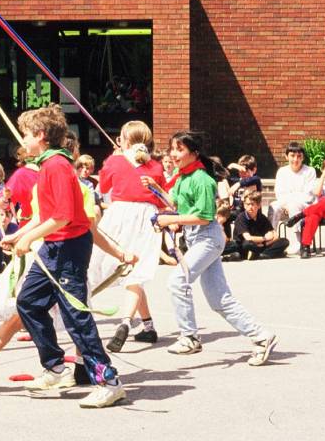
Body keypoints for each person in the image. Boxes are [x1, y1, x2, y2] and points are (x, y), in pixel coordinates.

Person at [4, 105, 126, 408]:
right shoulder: (48, 165)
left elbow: (62, 216)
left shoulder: (56, 165)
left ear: (41, 136)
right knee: (28, 301)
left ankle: (108, 380)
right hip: (55, 247)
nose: (23, 140)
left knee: (75, 315)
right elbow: (45, 214)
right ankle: (55, 367)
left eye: (26, 135)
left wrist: (30, 238)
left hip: (69, 247)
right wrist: (19, 235)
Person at [160, 131, 277, 366]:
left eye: (179, 149)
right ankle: (262, 337)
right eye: (172, 149)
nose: (174, 154)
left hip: (207, 238)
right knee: (219, 300)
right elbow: (175, 204)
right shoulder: (182, 177)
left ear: (194, 153)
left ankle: (189, 336)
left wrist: (172, 220)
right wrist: (156, 192)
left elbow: (203, 217)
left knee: (176, 281)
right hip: (198, 239)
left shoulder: (201, 179)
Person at [91, 120, 167, 352]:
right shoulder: (155, 165)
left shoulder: (114, 161)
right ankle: (148, 326)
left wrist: (112, 160)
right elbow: (161, 193)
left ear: (124, 140)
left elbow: (103, 188)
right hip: (148, 217)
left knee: (100, 264)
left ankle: (125, 321)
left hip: (120, 213)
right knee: (138, 272)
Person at [291, 156, 325, 257]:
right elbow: (317, 192)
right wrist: (323, 175)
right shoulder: (320, 182)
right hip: (319, 213)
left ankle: (300, 215)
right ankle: (305, 247)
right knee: (312, 216)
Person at [270, 141, 316, 229]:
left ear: (303, 157)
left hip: (304, 206)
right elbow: (279, 193)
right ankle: (272, 237)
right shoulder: (282, 172)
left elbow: (308, 196)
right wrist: (287, 205)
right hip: (285, 205)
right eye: (292, 156)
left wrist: (291, 203)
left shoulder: (310, 171)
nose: (295, 159)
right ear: (286, 157)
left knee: (294, 206)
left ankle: (300, 241)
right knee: (274, 206)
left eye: (299, 156)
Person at [233, 191, 289, 260]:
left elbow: (275, 235)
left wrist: (265, 244)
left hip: (261, 245)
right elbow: (248, 238)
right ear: (244, 205)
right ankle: (268, 254)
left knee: (284, 241)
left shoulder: (262, 217)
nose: (250, 207)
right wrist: (264, 238)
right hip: (247, 245)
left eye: (253, 204)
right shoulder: (241, 218)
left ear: (259, 206)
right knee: (247, 244)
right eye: (248, 204)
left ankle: (261, 255)